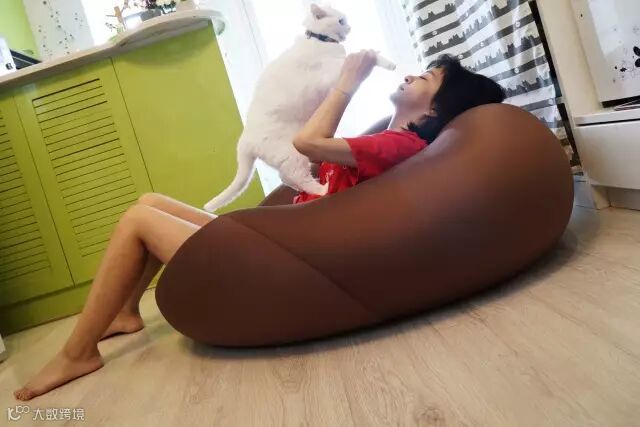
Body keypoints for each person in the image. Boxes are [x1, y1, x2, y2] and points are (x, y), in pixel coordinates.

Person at [14, 51, 505, 401]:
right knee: (150, 202)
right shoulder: (389, 139)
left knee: (139, 218)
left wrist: (347, 81)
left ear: (435, 109)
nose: (412, 74)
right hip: (285, 239)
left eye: (426, 77)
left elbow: (307, 143)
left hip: (287, 258)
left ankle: (78, 352)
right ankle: (123, 313)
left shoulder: (399, 145)